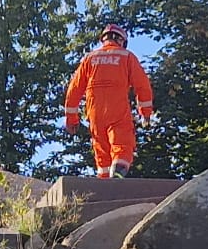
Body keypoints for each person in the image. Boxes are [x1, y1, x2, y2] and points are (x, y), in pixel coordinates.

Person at [63, 24, 155, 179]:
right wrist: (145, 113)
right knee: (122, 144)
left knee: (102, 151)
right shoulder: (127, 57)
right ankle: (118, 173)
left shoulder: (89, 58)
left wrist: (71, 119)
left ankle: (105, 183)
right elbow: (142, 86)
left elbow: (74, 89)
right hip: (117, 109)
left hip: (95, 113)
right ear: (121, 40)